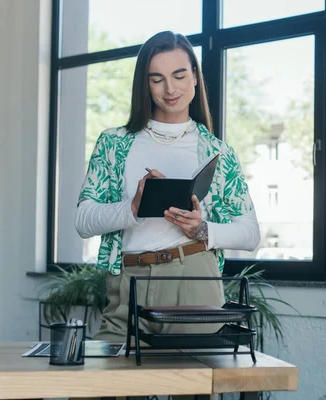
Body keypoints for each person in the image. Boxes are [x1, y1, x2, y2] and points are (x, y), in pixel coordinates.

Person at [75, 31, 260, 345]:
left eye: (179, 75)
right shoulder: (114, 143)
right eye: (157, 78)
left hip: (194, 277)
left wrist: (202, 229)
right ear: (144, 84)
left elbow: (250, 233)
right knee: (106, 382)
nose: (170, 88)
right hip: (128, 279)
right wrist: (132, 207)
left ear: (195, 78)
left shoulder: (219, 152)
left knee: (191, 386)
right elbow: (83, 221)